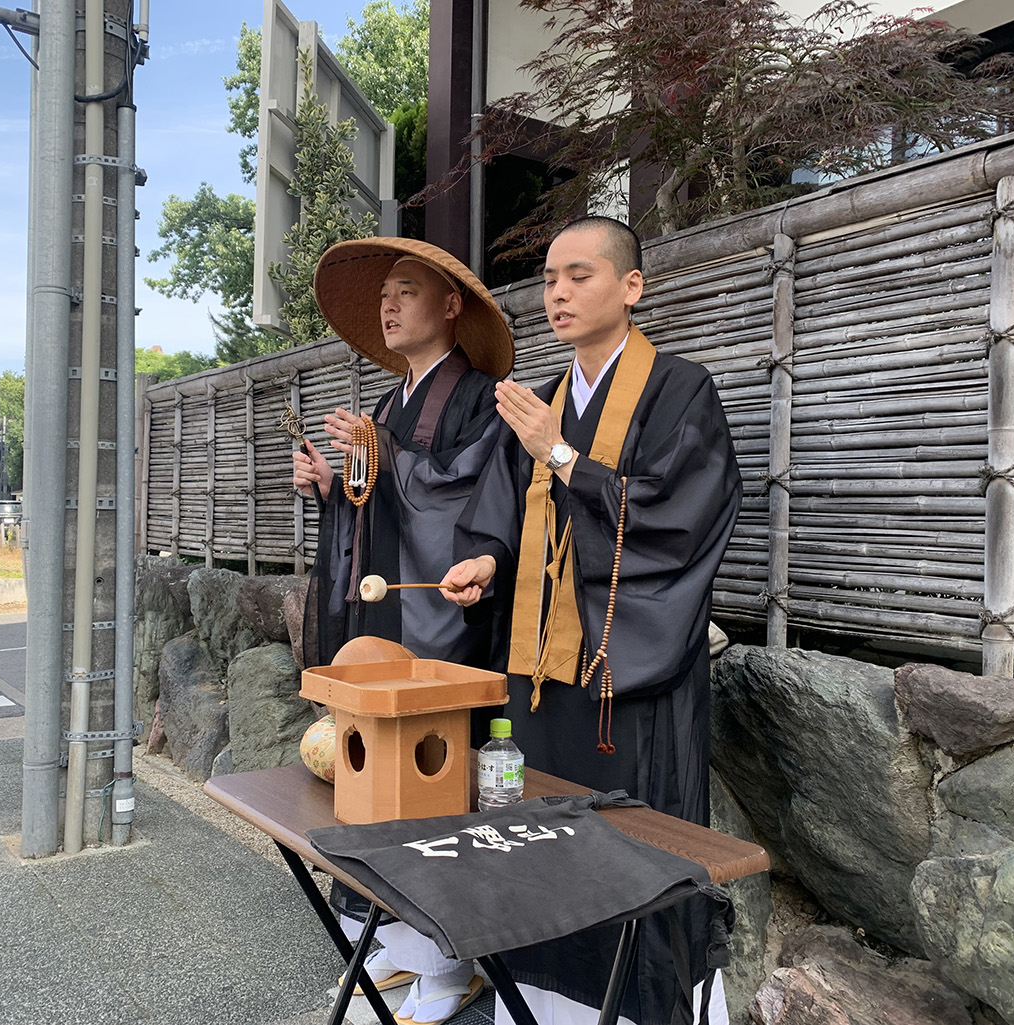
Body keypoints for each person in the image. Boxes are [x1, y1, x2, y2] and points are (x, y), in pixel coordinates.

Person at [442, 216, 743, 1025]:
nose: (559, 293)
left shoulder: (682, 389)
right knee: (532, 838)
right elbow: (504, 514)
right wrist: (486, 562)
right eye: (548, 279)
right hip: (539, 672)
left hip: (623, 674)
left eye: (580, 274)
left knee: (629, 844)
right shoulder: (538, 401)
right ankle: (534, 999)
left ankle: (643, 1006)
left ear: (631, 285)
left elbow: (677, 521)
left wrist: (563, 455)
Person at [292, 237, 514, 1025]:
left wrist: (386, 460)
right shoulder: (390, 403)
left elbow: (471, 499)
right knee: (380, 774)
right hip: (386, 609)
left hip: (443, 612)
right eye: (383, 294)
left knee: (437, 779)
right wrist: (333, 484)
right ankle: (403, 941)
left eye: (406, 291)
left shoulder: (480, 397)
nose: (388, 306)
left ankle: (454, 957)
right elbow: (371, 504)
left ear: (452, 305)